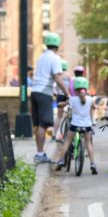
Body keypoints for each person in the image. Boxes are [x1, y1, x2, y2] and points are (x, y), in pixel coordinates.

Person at [31, 33, 71, 163]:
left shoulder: (41, 57)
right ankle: (40, 153)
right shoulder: (55, 58)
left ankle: (39, 153)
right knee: (43, 125)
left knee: (38, 124)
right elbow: (57, 77)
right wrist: (67, 92)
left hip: (35, 91)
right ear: (57, 45)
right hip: (44, 93)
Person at [54, 76, 98, 174]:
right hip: (87, 126)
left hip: (74, 125)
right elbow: (95, 107)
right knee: (88, 143)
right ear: (86, 89)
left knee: (67, 142)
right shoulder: (90, 99)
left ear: (75, 89)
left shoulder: (72, 99)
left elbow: (63, 104)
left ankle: (61, 161)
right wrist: (95, 106)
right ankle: (93, 164)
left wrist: (60, 104)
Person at [52, 61, 73, 142]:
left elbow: (54, 88)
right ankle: (67, 133)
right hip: (68, 95)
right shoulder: (68, 75)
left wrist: (55, 93)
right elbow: (71, 85)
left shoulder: (58, 75)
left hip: (60, 96)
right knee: (69, 114)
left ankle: (54, 135)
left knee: (58, 117)